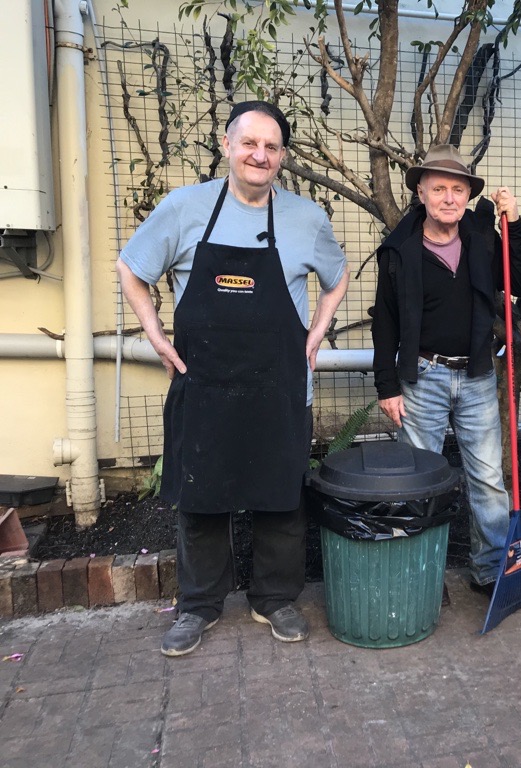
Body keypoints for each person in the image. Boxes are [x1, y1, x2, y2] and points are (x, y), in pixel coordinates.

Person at [116, 101, 349, 657]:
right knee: (201, 496)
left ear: (282, 158)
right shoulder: (184, 208)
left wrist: (315, 335)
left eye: (271, 147)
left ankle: (276, 599)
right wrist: (154, 333)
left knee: (281, 497)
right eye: (249, 143)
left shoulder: (307, 218)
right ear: (227, 146)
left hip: (279, 387)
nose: (259, 155)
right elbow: (131, 267)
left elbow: (336, 281)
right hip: (206, 386)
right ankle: (198, 605)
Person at [371, 145, 521, 595]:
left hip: (477, 375)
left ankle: (493, 572)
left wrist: (512, 224)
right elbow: (385, 320)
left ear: (466, 196)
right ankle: (420, 574)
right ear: (421, 192)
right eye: (438, 188)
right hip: (423, 379)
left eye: (457, 190)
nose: (448, 198)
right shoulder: (400, 250)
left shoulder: (482, 237)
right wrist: (388, 385)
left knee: (488, 479)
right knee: (420, 479)